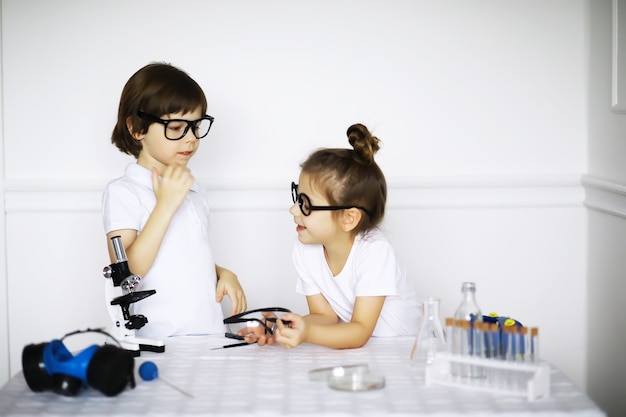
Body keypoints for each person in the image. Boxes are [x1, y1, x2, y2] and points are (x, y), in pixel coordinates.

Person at [102, 62, 247, 340]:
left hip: (208, 334)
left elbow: (181, 254)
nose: (191, 138)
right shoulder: (123, 192)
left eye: (196, 126)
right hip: (156, 340)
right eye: (177, 127)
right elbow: (128, 273)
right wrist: (166, 205)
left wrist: (220, 273)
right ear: (136, 128)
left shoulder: (193, 189)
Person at [244, 123, 420, 349]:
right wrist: (281, 327)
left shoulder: (375, 251)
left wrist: (308, 333)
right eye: (298, 197)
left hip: (405, 349)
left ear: (349, 218)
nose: (293, 210)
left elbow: (359, 331)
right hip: (367, 352)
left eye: (306, 204)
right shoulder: (305, 248)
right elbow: (325, 316)